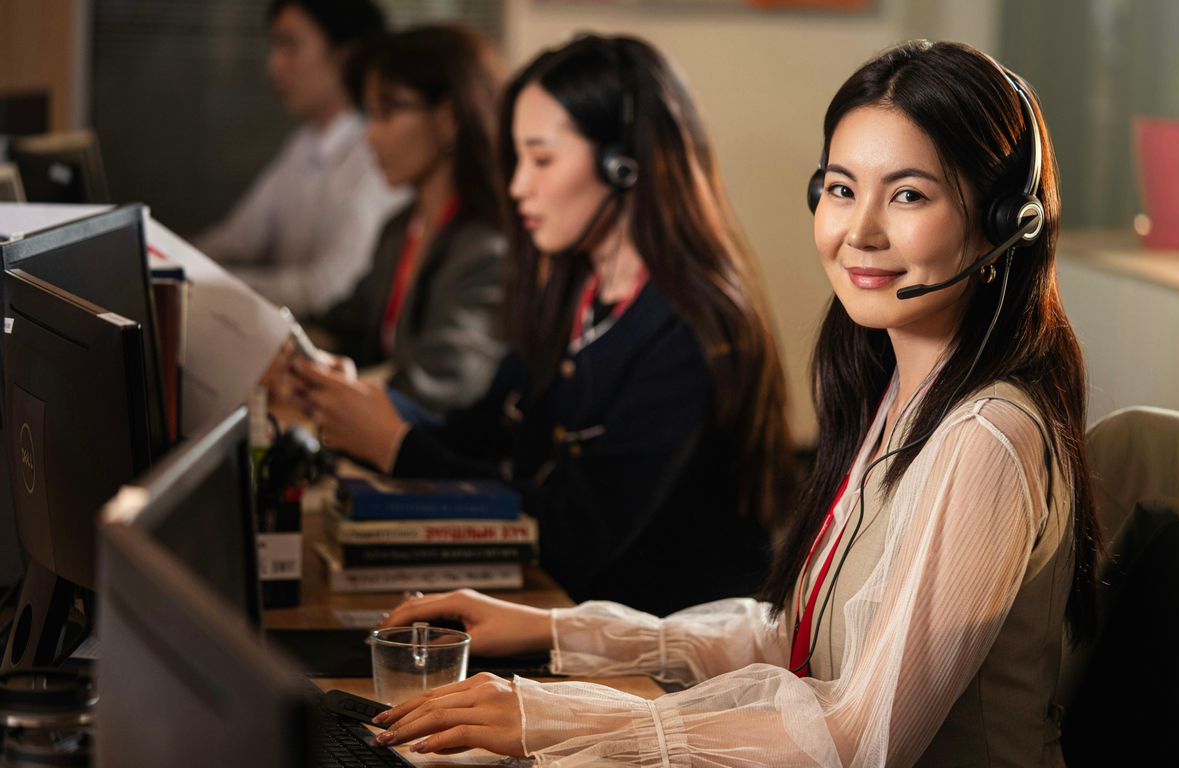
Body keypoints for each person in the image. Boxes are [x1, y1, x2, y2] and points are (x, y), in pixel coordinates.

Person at [361, 40, 1103, 766]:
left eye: (908, 194)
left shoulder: (986, 434)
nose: (858, 232)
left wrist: (558, 717)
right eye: (841, 190)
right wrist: (553, 631)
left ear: (1008, 221)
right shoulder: (897, 401)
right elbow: (794, 640)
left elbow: (859, 740)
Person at [293, 35, 794, 616]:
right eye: (517, 159)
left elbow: (576, 536)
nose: (517, 187)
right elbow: (480, 433)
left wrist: (399, 446)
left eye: (542, 159)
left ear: (622, 163)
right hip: (567, 620)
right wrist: (366, 410)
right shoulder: (572, 292)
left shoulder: (691, 333)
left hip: (658, 665)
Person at [315, 25, 507, 419]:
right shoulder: (401, 228)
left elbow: (448, 379)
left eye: (387, 113)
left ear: (449, 118)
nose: (371, 136)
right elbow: (347, 326)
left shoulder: (487, 241)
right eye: (369, 115)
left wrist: (341, 395)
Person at [196, 0, 407, 319]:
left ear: (344, 56)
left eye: (290, 46)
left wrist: (205, 282)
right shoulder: (305, 143)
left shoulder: (377, 157)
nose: (274, 64)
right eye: (275, 46)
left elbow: (330, 289)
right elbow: (239, 238)